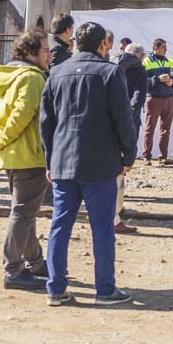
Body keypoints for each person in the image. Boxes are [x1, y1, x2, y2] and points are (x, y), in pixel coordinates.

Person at [40, 21, 137, 306]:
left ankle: (56, 288)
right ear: (102, 44)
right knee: (102, 227)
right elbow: (123, 118)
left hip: (63, 162)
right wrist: (128, 155)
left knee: (60, 224)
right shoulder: (109, 72)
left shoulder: (56, 73)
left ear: (75, 43)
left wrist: (49, 160)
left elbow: (46, 123)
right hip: (101, 163)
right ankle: (105, 289)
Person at [0, 29, 50, 290]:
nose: (49, 55)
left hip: (10, 156)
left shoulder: (4, 75)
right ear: (31, 53)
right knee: (23, 212)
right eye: (45, 50)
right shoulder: (33, 78)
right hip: (29, 155)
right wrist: (3, 137)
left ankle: (35, 262)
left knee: (26, 212)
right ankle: (13, 270)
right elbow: (23, 114)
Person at [112, 37, 148, 235]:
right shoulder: (140, 70)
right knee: (122, 166)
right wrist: (128, 116)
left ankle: (114, 208)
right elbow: (138, 97)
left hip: (108, 122)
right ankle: (116, 212)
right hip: (127, 121)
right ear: (140, 56)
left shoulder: (112, 62)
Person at [140, 38, 173, 164]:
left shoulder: (169, 61)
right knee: (150, 128)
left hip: (168, 99)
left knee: (166, 129)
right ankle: (147, 156)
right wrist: (158, 79)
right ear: (155, 48)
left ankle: (163, 156)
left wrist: (172, 81)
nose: (166, 50)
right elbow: (142, 82)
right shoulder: (146, 62)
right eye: (163, 47)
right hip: (153, 99)